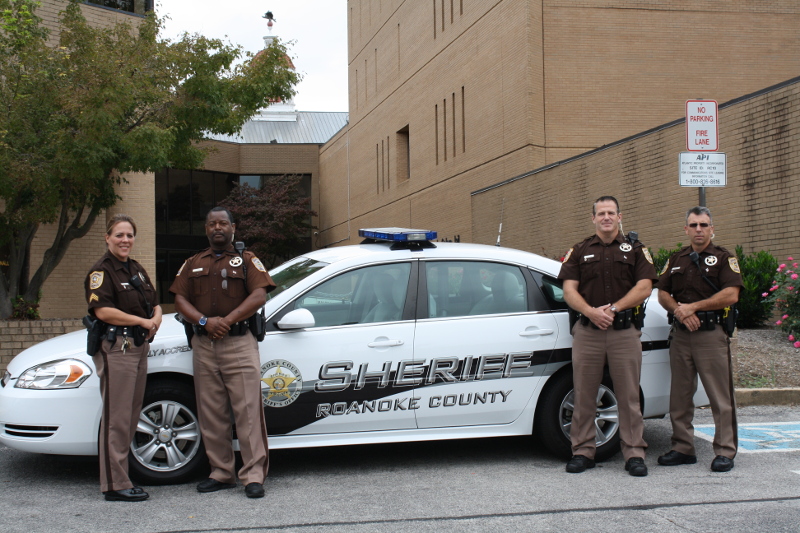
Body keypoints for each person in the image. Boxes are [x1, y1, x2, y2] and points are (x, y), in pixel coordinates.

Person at [170, 207, 275, 498]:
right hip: (204, 344)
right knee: (211, 412)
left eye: (223, 223)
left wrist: (226, 322)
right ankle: (221, 472)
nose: (218, 228)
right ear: (206, 229)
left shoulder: (247, 260)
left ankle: (253, 475)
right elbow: (179, 298)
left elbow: (258, 295)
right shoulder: (193, 262)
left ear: (233, 227)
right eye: (212, 223)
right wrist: (204, 322)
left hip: (239, 342)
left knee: (247, 412)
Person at [558, 196, 657, 476]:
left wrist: (613, 309)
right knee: (584, 394)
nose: (606, 217)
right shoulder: (579, 250)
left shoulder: (636, 250)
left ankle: (634, 453)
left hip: (623, 331)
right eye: (600, 213)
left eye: (610, 213)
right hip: (588, 332)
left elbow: (645, 287)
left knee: (628, 395)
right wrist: (591, 312)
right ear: (593, 218)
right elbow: (569, 291)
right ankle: (583, 451)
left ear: (619, 216)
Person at [657, 206, 742, 472]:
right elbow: (662, 293)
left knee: (720, 396)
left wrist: (694, 307)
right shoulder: (676, 258)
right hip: (682, 335)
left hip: (710, 336)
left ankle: (725, 451)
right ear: (685, 229)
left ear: (712, 228)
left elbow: (731, 294)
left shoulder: (723, 258)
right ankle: (683, 447)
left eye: (703, 225)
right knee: (680, 396)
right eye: (693, 225)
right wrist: (680, 312)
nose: (698, 230)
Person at [85, 214, 162, 502]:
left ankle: (122, 476)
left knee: (131, 413)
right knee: (117, 417)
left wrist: (155, 317)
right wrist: (142, 322)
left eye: (129, 235)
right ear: (107, 237)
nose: (125, 240)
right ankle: (114, 484)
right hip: (117, 346)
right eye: (119, 235)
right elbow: (103, 312)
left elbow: (153, 301)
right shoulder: (102, 271)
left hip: (138, 346)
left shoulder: (136, 268)